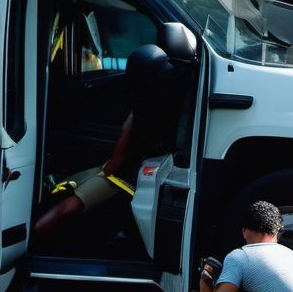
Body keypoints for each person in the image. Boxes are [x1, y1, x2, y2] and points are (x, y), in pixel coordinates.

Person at [33, 43, 188, 243]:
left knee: (66, 204)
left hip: (118, 175)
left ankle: (33, 236)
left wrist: (106, 169)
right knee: (66, 198)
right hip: (125, 175)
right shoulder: (164, 106)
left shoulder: (142, 110)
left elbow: (117, 158)